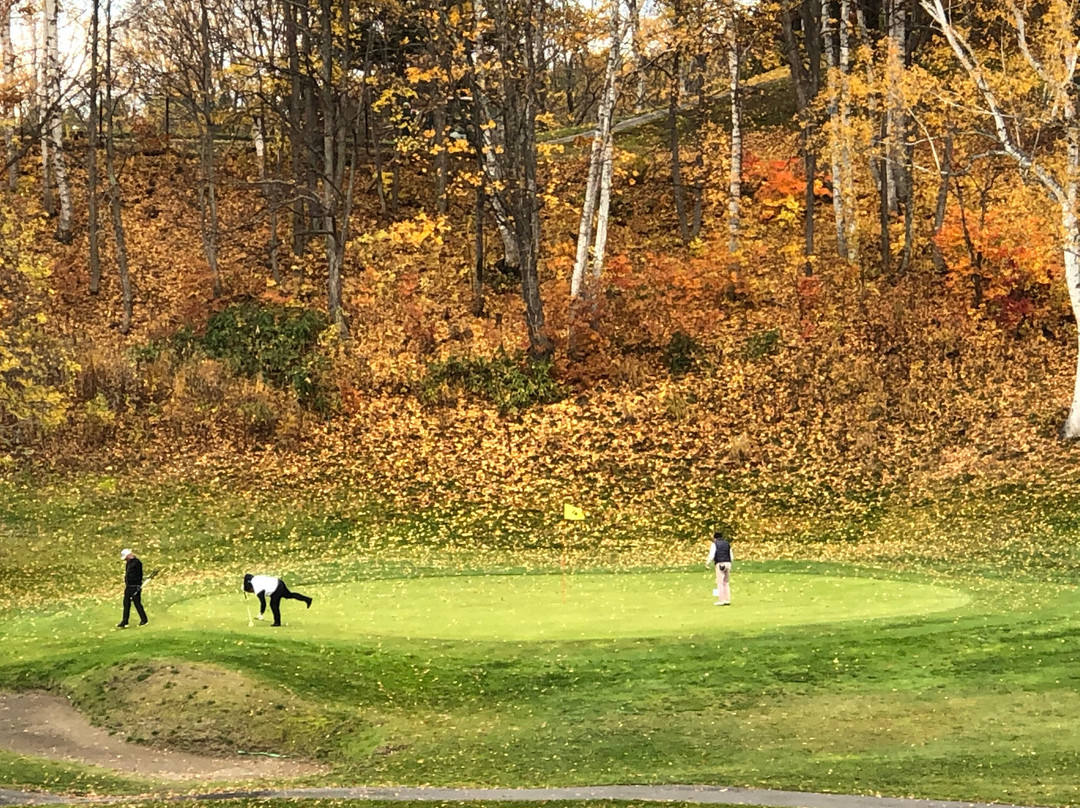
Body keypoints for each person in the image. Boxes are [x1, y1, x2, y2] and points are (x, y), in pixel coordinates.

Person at [243, 573, 312, 626]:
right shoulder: (253, 579)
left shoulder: (258, 589)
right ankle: (307, 599)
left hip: (276, 589)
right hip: (279, 582)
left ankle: (277, 622)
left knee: (273, 605)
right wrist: (244, 586)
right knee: (289, 595)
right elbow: (246, 576)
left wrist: (260, 614)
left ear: (251, 588)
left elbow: (263, 603)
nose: (252, 592)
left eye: (250, 591)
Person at [117, 548, 148, 627]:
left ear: (129, 555)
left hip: (135, 586)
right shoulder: (128, 563)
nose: (125, 559)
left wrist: (138, 585)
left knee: (137, 603)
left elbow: (139, 575)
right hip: (128, 587)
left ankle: (144, 620)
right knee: (126, 603)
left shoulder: (137, 563)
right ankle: (125, 621)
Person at [706, 531, 732, 606]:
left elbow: (712, 555)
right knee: (726, 582)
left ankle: (721, 600)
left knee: (720, 582)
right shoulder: (727, 544)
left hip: (720, 563)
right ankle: (727, 599)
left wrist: (707, 562)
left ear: (715, 538)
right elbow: (731, 555)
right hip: (728, 563)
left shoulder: (715, 544)